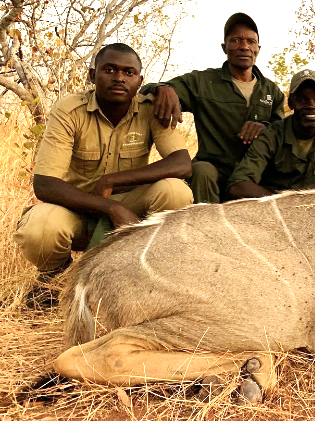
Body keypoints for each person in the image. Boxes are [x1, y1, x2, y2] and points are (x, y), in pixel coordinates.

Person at [14, 43, 193, 303]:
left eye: (129, 73)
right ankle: (55, 278)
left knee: (175, 192)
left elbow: (181, 164)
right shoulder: (69, 109)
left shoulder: (150, 108)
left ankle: (154, 275)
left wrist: (111, 181)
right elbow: (45, 184)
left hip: (132, 206)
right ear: (92, 75)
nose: (119, 78)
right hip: (80, 207)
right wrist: (110, 208)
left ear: (140, 81)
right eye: (109, 69)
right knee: (39, 228)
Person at [140, 13, 285, 203]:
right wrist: (163, 89)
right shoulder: (203, 82)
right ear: (224, 47)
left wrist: (265, 129)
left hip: (254, 175)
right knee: (201, 170)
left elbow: (283, 134)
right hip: (216, 172)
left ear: (258, 48)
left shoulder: (271, 90)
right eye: (236, 40)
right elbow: (146, 89)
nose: (244, 46)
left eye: (251, 41)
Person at [226, 69, 315, 198]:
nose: (311, 105)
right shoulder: (273, 134)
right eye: (302, 100)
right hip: (275, 210)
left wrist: (305, 194)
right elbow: (237, 184)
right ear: (291, 102)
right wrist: (281, 202)